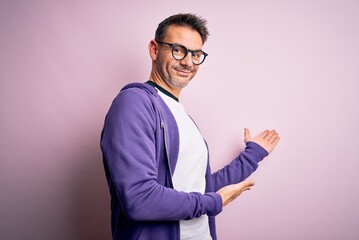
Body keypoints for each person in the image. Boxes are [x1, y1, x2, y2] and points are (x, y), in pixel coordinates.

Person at [100, 13, 280, 240]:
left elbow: (200, 188)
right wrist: (214, 202)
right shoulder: (135, 103)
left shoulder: (181, 116)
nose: (188, 62)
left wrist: (252, 155)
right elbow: (139, 198)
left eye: (196, 54)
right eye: (178, 49)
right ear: (154, 49)